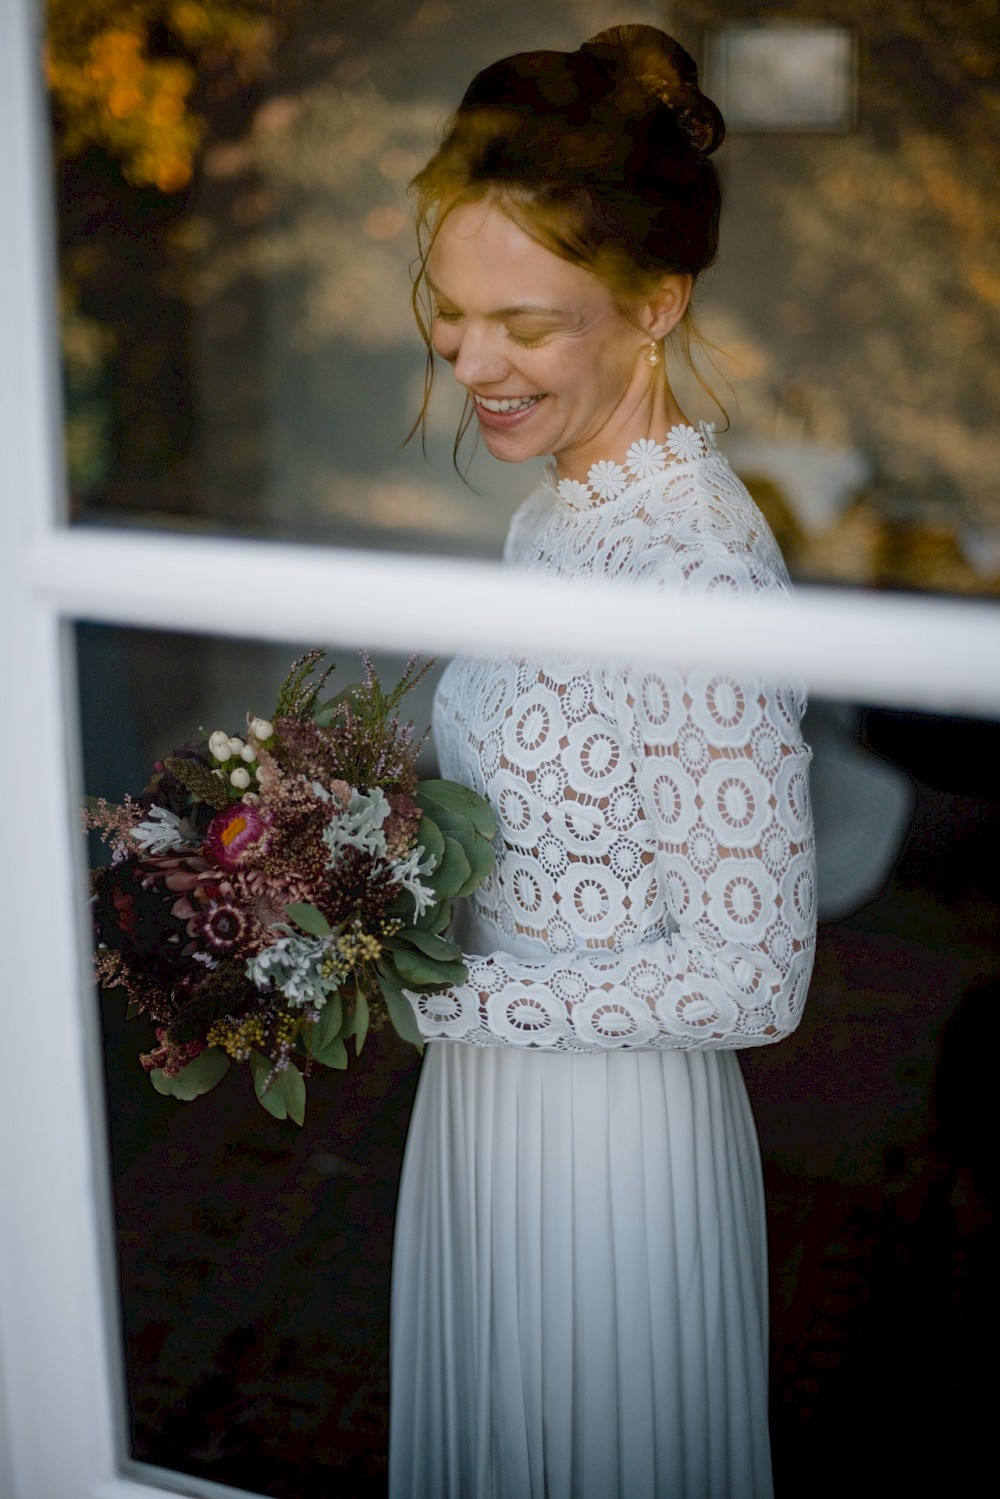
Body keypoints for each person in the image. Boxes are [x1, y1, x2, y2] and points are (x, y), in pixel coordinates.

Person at [390, 24, 816, 1499]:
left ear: (655, 305)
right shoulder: (565, 510)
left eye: (527, 322)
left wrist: (446, 990)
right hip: (491, 1103)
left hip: (609, 1150)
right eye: (453, 313)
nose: (473, 361)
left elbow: (756, 977)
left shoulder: (697, 577)